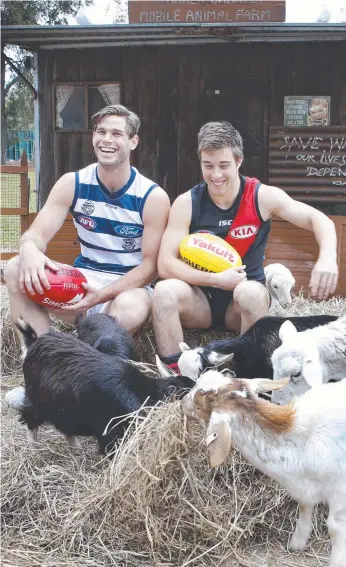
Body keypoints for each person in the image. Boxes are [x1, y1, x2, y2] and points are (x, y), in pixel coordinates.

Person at [152, 121, 339, 371]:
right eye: (208, 166)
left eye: (223, 165)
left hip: (240, 303)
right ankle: (174, 377)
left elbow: (319, 220)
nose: (215, 175)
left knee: (251, 292)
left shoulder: (261, 196)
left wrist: (327, 257)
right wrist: (217, 280)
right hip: (200, 300)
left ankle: (249, 374)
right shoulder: (187, 202)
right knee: (164, 291)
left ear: (239, 161)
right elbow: (165, 264)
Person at [5, 104, 170, 341]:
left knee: (131, 308)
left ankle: (86, 359)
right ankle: (42, 355)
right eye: (101, 132)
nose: (106, 140)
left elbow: (149, 268)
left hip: (126, 289)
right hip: (81, 282)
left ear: (133, 141)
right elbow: (36, 234)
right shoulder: (72, 183)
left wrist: (101, 295)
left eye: (116, 134)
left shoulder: (152, 197)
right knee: (14, 267)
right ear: (93, 136)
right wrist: (29, 248)